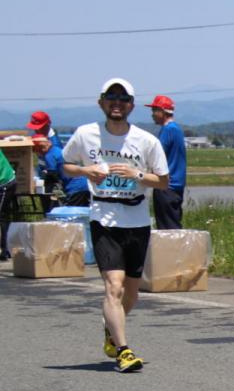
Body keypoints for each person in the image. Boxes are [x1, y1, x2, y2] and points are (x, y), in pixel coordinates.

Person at [61, 78, 169, 373]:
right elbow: (66, 164)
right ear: (101, 103)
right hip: (103, 217)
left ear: (132, 105)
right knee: (114, 286)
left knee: (131, 293)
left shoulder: (147, 141)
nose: (117, 103)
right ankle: (123, 351)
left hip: (136, 220)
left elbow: (163, 180)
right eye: (111, 98)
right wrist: (86, 170)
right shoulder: (86, 134)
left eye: (123, 99)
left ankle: (111, 328)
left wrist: (137, 174)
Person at [30, 111, 90, 204]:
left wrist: (42, 179)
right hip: (84, 183)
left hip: (74, 187)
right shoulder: (53, 148)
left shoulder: (50, 152)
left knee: (73, 213)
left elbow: (53, 174)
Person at [145, 95, 187, 229]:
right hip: (176, 186)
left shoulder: (168, 130)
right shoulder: (177, 129)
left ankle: (172, 250)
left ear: (162, 111)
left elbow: (156, 155)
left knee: (167, 229)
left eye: (154, 111)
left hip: (166, 186)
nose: (152, 115)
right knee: (173, 224)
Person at [0, 147, 15, 260]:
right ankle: (5, 249)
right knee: (4, 217)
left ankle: (5, 250)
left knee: (2, 216)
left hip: (4, 182)